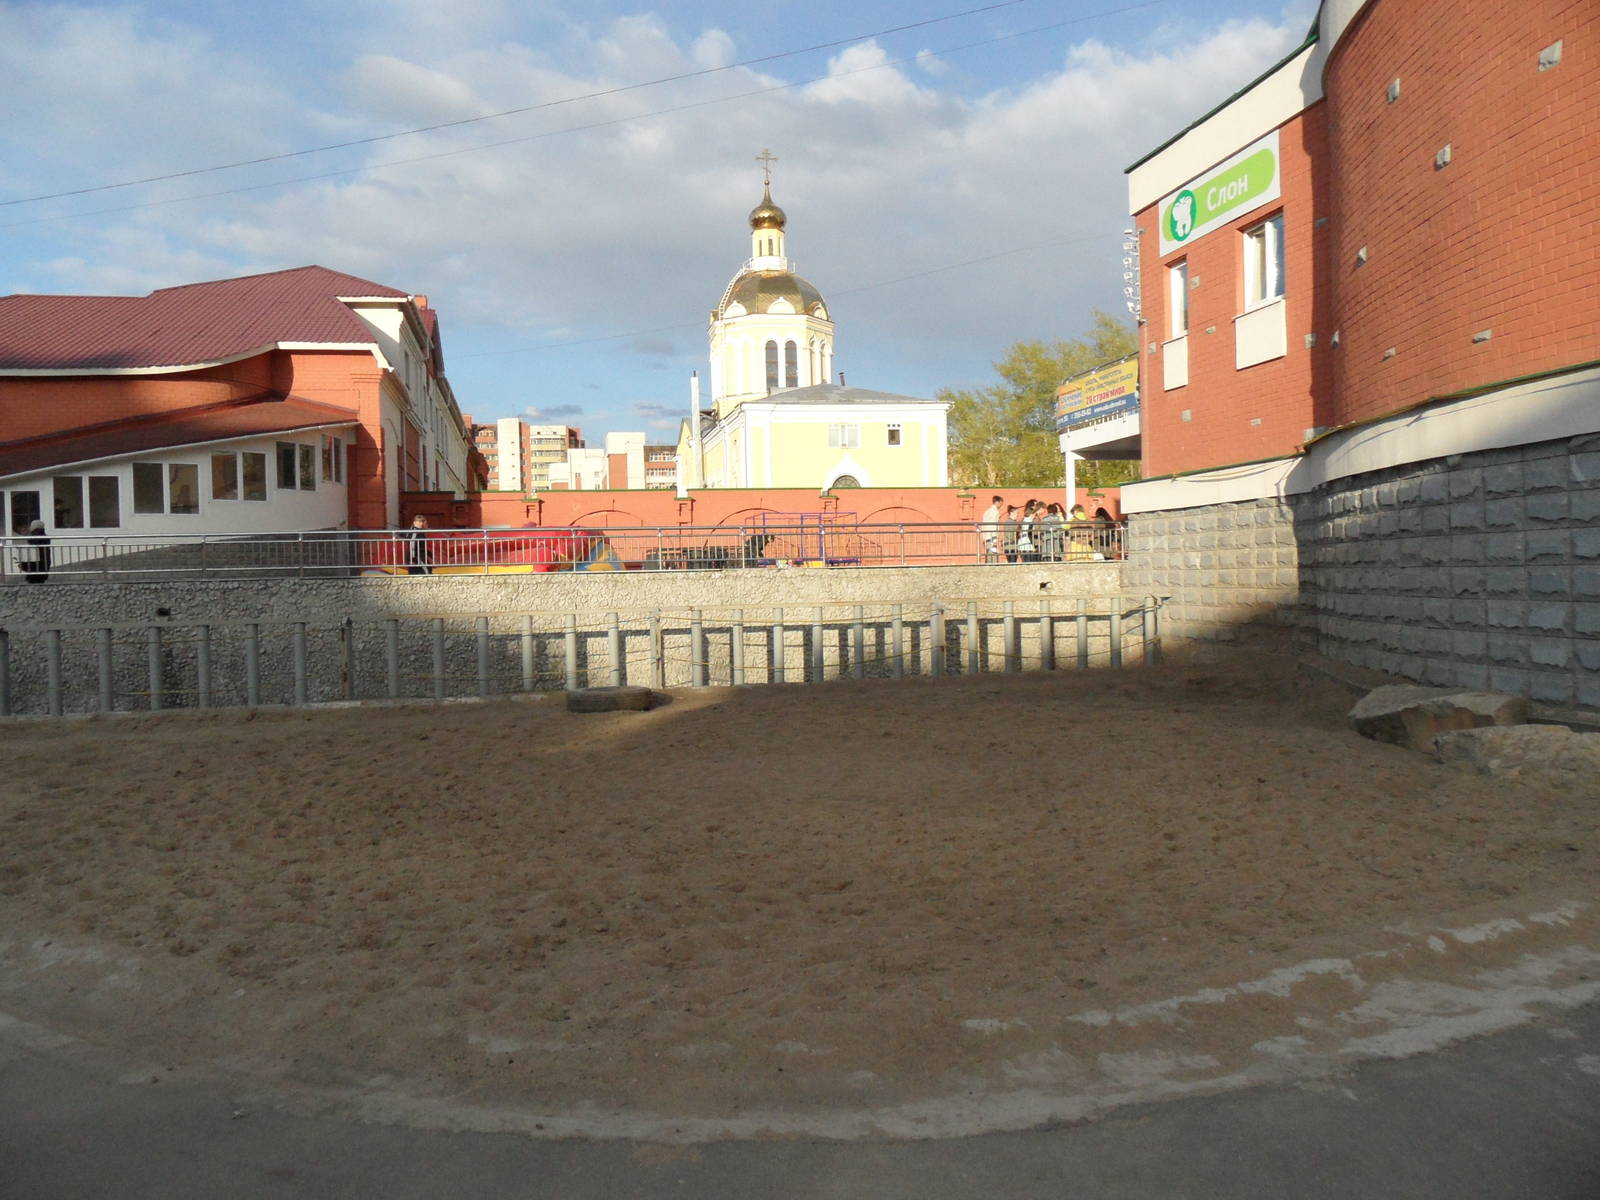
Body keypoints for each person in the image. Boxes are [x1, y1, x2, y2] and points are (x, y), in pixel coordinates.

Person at [21, 519, 51, 583]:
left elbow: (32, 546)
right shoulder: (44, 536)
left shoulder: (34, 536)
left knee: (34, 580)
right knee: (40, 581)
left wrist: (24, 565)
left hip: (35, 564)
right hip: (43, 564)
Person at [978, 494, 1004, 563]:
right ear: (997, 502)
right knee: (993, 557)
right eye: (1001, 503)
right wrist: (994, 540)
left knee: (989, 555)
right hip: (991, 537)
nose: (1001, 505)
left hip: (986, 537)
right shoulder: (994, 512)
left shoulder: (987, 511)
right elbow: (993, 526)